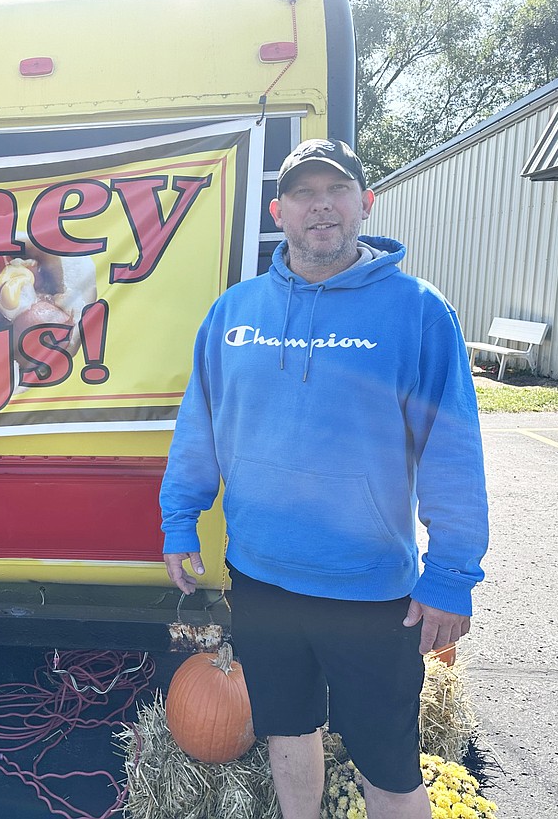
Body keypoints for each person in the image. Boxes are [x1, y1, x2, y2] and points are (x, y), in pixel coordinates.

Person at [159, 139, 488, 819]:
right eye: (304, 192)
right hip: (261, 576)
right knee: (287, 730)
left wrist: (453, 572)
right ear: (279, 210)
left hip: (370, 590)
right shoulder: (234, 313)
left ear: (364, 203)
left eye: (336, 190)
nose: (322, 206)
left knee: (389, 766)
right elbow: (201, 424)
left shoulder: (418, 311)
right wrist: (179, 516)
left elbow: (451, 451)